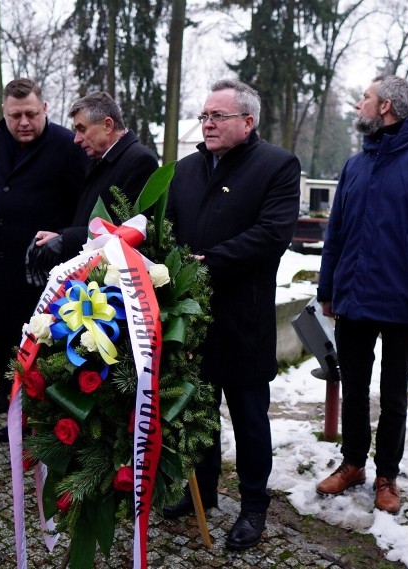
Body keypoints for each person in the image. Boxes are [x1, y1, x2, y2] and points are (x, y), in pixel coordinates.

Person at [162, 79, 301, 551]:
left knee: (248, 418)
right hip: (191, 318)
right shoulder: (185, 169)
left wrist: (208, 263)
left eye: (217, 116)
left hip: (244, 317)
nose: (207, 123)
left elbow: (271, 234)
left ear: (247, 121)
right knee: (198, 412)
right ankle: (199, 492)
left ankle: (253, 506)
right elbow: (169, 231)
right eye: (204, 116)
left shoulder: (277, 166)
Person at [315, 75, 408, 513]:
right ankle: (353, 463)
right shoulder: (355, 165)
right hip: (354, 300)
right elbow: (336, 233)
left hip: (403, 304)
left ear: (385, 107)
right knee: (355, 388)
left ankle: (387, 476)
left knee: (394, 396)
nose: (359, 104)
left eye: (365, 97)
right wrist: (328, 288)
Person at [0, 78, 87, 417]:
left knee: (35, 334)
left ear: (44, 108)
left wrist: (61, 238)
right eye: (15, 116)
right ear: (4, 112)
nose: (24, 122)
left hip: (38, 261)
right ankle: (5, 391)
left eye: (31, 114)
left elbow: (80, 204)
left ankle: (32, 410)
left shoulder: (66, 144)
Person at [27, 90, 159, 284]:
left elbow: (127, 230)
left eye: (82, 129)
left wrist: (66, 241)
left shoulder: (140, 161)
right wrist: (59, 236)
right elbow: (89, 220)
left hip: (115, 286)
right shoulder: (99, 160)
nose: (76, 139)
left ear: (107, 125)